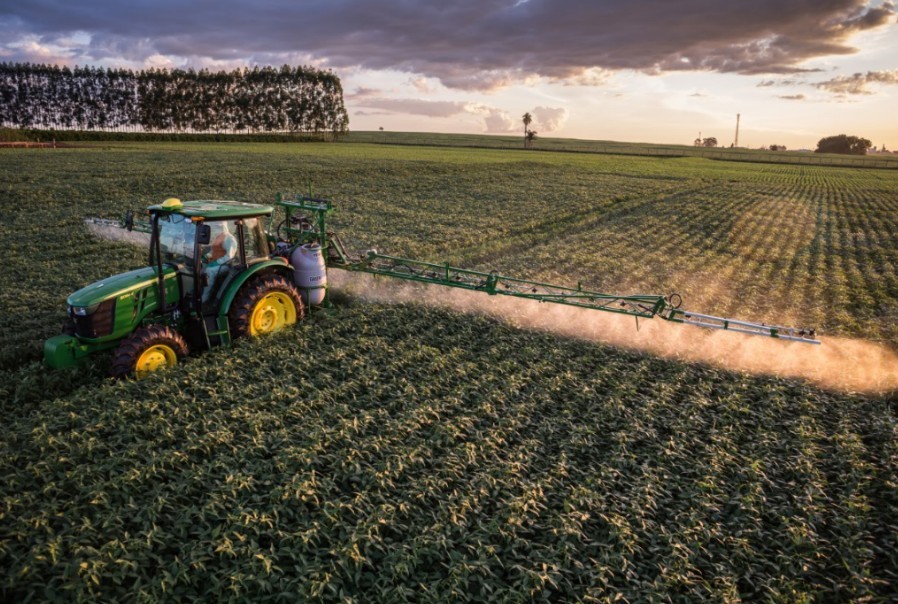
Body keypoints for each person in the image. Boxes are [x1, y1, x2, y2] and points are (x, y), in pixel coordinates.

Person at [202, 221, 238, 302]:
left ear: (224, 227)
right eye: (215, 226)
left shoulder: (230, 239)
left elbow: (229, 257)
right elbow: (214, 250)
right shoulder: (218, 237)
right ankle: (197, 290)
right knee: (200, 268)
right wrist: (207, 256)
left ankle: (205, 297)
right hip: (215, 262)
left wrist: (217, 262)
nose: (216, 228)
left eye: (218, 227)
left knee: (209, 272)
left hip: (225, 265)